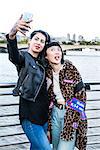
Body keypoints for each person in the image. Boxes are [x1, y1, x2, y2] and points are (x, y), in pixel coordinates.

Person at [6, 15, 52, 150]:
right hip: (30, 116)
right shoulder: (24, 58)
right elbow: (14, 56)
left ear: (44, 45)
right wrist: (12, 33)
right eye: (36, 39)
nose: (38, 42)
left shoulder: (44, 63)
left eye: (42, 41)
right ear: (29, 41)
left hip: (44, 117)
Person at [44, 42, 87, 150]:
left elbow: (81, 97)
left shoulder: (71, 69)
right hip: (55, 113)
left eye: (58, 49)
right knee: (55, 147)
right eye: (52, 50)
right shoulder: (47, 72)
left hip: (70, 114)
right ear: (46, 56)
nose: (57, 52)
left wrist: (72, 119)